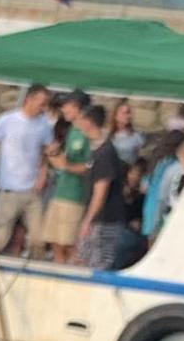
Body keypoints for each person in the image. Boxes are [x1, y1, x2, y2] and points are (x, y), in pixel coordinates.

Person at [0, 82, 52, 255]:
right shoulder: (7, 120)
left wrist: (42, 176)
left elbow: (45, 154)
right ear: (30, 99)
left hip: (32, 190)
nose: (44, 107)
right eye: (42, 103)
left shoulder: (44, 125)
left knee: (38, 238)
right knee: (0, 238)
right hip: (9, 188)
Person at [75, 104, 131, 269]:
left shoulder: (105, 153)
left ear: (88, 123)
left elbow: (101, 191)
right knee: (84, 259)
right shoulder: (97, 150)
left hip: (105, 220)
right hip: (100, 219)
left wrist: (88, 220)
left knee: (98, 264)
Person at [41, 91, 91, 264]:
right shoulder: (71, 131)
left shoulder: (87, 133)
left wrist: (67, 166)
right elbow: (63, 163)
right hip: (60, 191)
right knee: (55, 240)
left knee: (69, 242)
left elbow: (89, 165)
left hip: (75, 195)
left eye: (66, 105)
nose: (63, 109)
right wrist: (53, 155)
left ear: (77, 107)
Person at [110, 99, 145, 167]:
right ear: (116, 116)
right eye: (124, 113)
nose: (127, 116)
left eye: (128, 113)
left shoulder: (137, 136)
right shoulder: (109, 136)